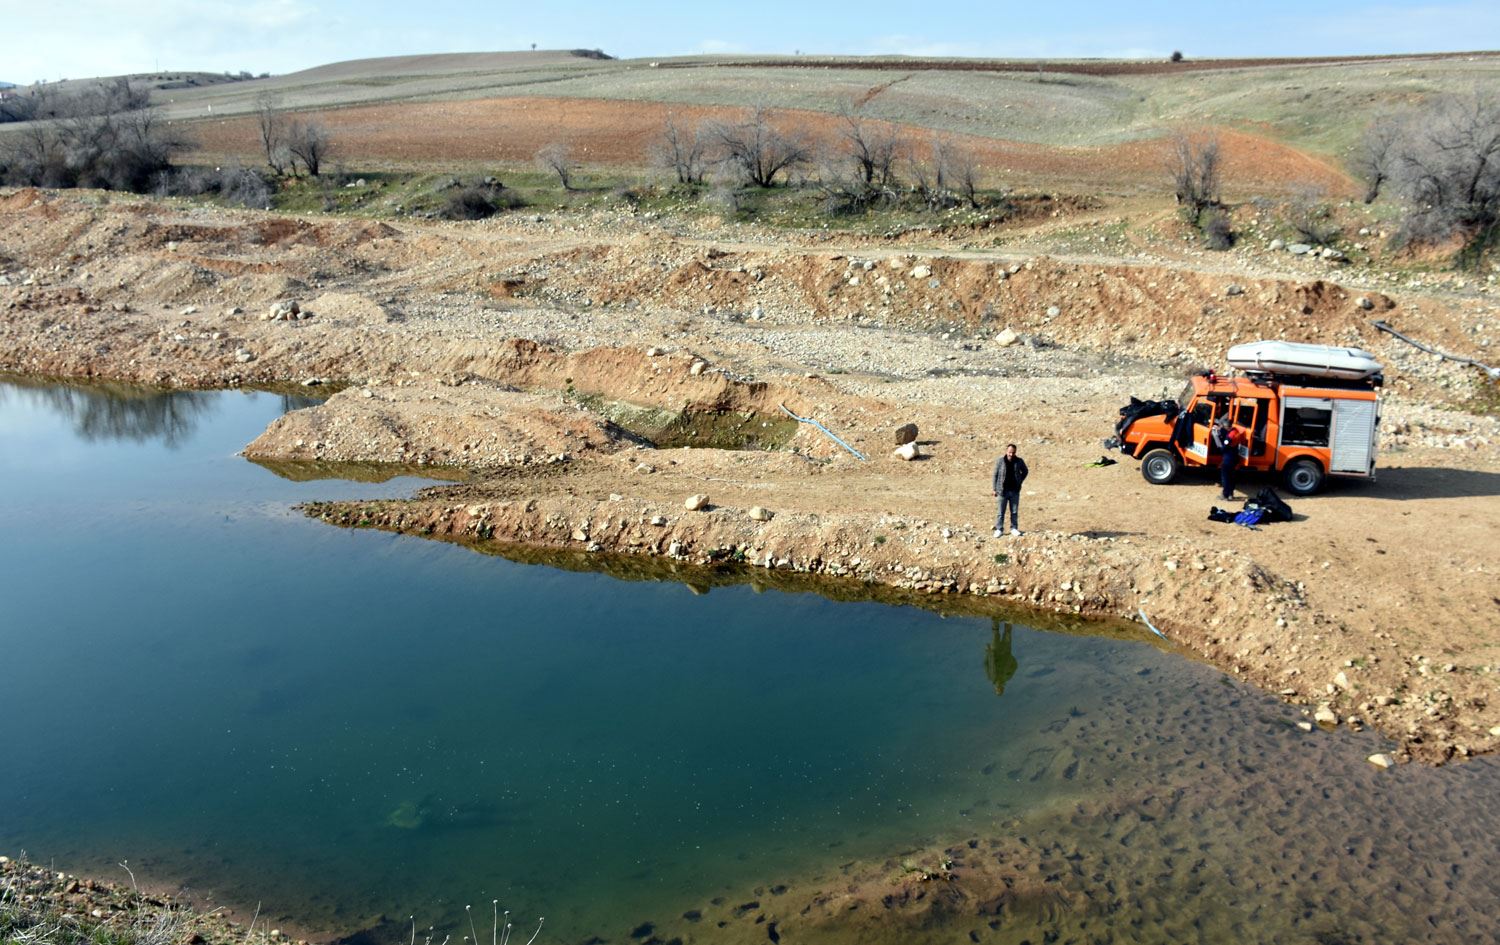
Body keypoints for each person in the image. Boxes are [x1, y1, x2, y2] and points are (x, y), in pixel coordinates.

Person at [991, 443, 1029, 537]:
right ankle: (999, 529)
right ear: (1006, 451)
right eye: (1009, 452)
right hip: (1002, 491)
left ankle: (1014, 528)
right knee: (1000, 512)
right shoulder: (1000, 461)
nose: (1011, 454)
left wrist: (1019, 481)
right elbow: (995, 475)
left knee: (1014, 512)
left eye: (1013, 452)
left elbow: (1025, 471)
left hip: (1014, 491)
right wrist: (994, 489)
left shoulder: (1019, 461)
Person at [1212, 415, 1240, 500]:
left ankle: (1225, 495)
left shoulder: (1229, 437)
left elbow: (1224, 447)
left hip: (1228, 458)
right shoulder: (1236, 431)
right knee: (1232, 476)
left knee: (1225, 477)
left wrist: (1218, 440)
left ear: (1228, 427)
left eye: (1224, 427)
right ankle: (1231, 494)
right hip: (1235, 457)